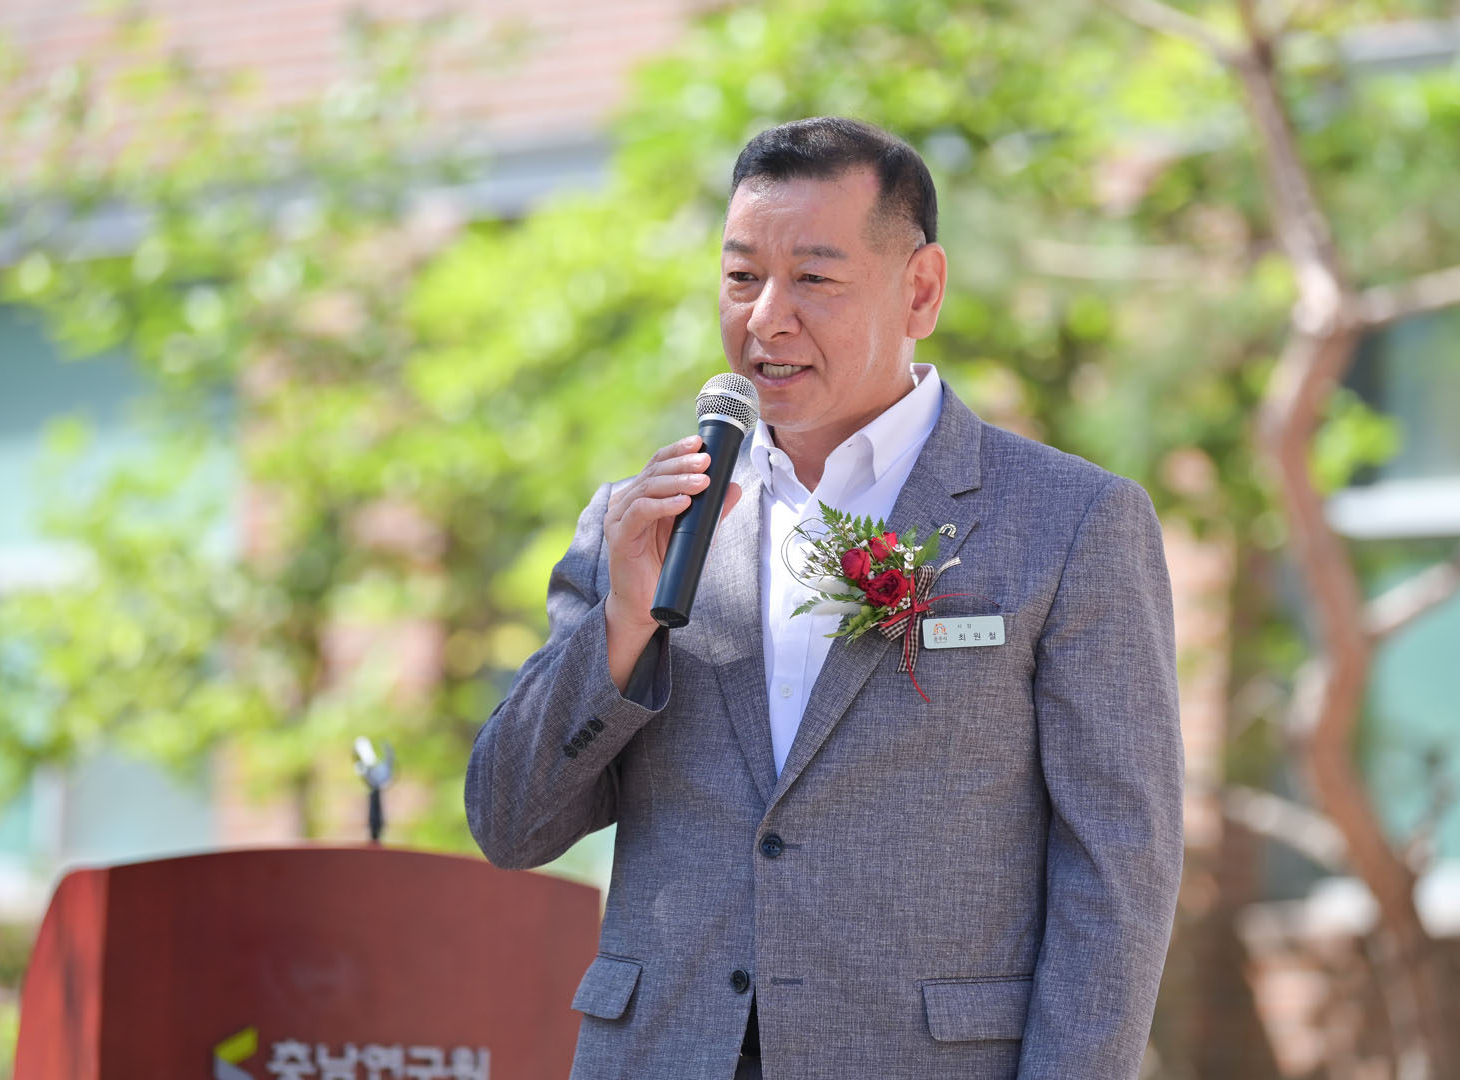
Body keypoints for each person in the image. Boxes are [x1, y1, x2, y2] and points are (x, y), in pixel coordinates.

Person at [466, 117, 1183, 1080]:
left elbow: (1119, 868)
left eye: (812, 277)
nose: (766, 318)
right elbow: (510, 823)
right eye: (741, 277)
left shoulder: (1072, 522)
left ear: (920, 289)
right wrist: (623, 625)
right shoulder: (640, 524)